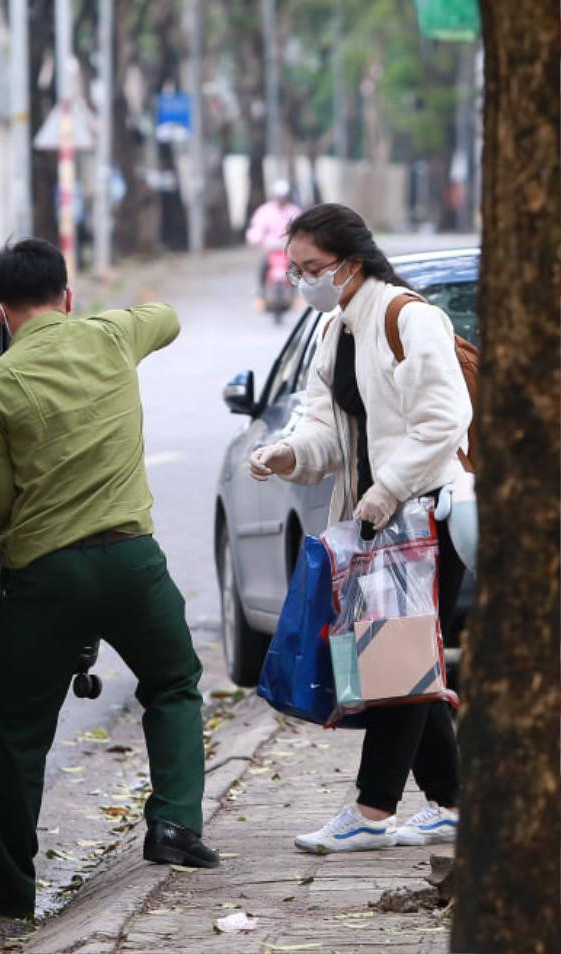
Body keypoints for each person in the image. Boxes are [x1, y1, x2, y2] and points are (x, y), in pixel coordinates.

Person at [0, 238, 217, 920]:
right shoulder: (111, 336)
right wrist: (123, 316)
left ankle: (4, 881)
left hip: (46, 575)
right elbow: (165, 316)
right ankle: (174, 824)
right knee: (172, 683)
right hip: (134, 565)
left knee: (19, 730)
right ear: (68, 296)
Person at [248, 203, 471, 853]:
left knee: (393, 659)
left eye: (313, 269)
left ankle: (372, 813)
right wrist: (286, 452)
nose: (303, 282)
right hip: (378, 518)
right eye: (294, 271)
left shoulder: (408, 317)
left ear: (352, 262)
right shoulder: (335, 327)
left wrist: (386, 493)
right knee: (400, 656)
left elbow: (444, 421)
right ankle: (454, 803)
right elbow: (323, 426)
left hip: (426, 514)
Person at [246, 179, 302, 302]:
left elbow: (300, 229)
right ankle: (260, 291)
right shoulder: (265, 211)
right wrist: (255, 239)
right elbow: (257, 228)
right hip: (270, 248)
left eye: (283, 196)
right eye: (279, 196)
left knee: (294, 267)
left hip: (287, 248)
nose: (281, 199)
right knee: (263, 265)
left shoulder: (293, 211)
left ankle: (297, 292)